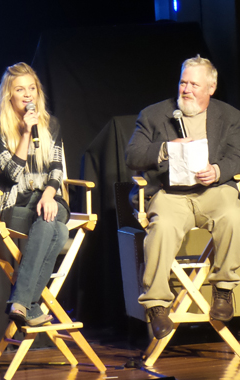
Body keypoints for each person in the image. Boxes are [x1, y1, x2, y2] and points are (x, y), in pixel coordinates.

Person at [125, 55, 240, 339]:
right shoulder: (153, 115)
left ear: (211, 88)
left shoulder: (229, 116)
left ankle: (224, 290)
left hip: (212, 191)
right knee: (162, 227)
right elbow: (132, 156)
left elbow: (237, 156)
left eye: (193, 85)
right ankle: (156, 305)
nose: (185, 90)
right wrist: (164, 148)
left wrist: (218, 170)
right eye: (182, 82)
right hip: (170, 194)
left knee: (234, 215)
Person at [0, 62, 69, 327]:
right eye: (21, 89)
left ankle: (20, 302)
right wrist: (24, 134)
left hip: (49, 200)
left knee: (47, 218)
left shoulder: (51, 124)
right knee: (58, 231)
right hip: (15, 204)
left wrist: (50, 194)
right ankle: (29, 305)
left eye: (32, 88)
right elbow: (10, 174)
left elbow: (56, 167)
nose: (28, 94)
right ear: (9, 94)